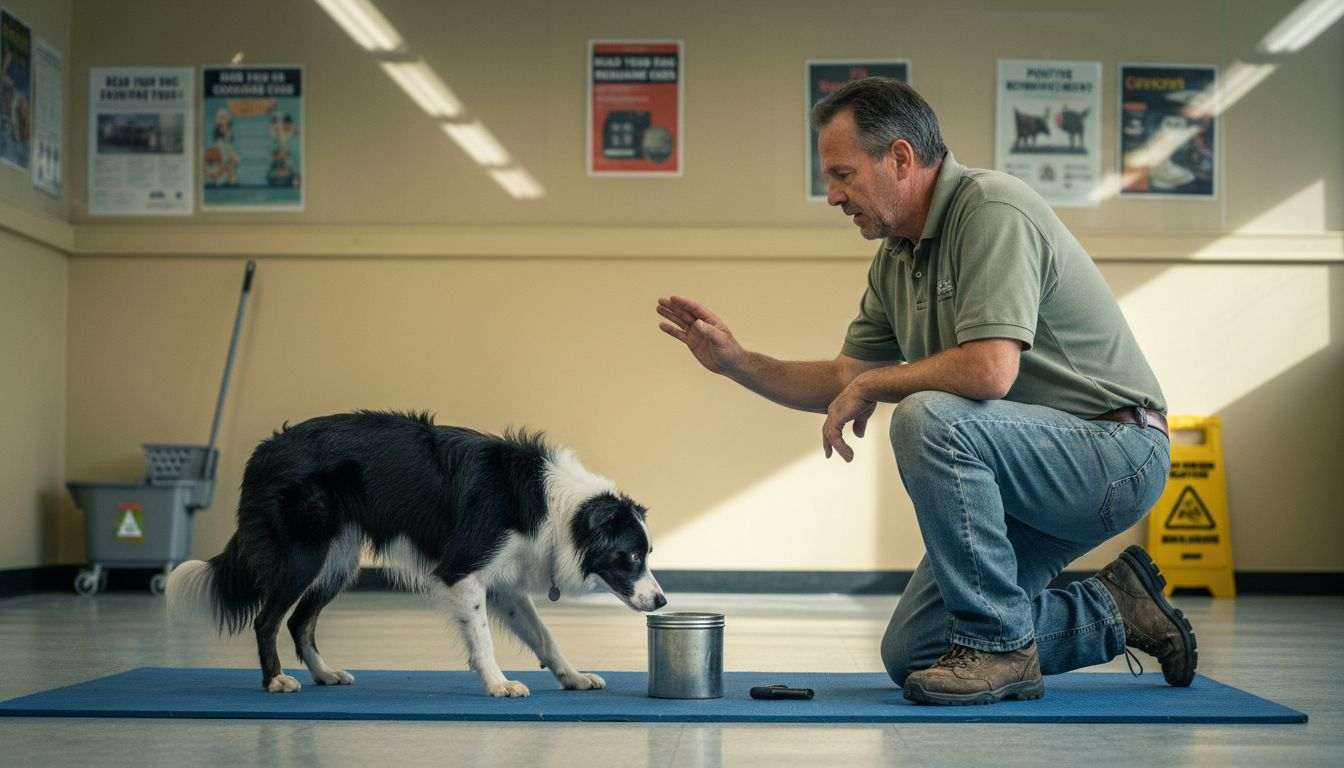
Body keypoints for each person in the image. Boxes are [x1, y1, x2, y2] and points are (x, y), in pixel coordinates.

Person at [656, 77, 1196, 706]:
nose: (833, 195)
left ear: (901, 158)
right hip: (1029, 475)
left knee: (926, 417)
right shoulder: (896, 259)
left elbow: (990, 371)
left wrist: (876, 382)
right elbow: (844, 377)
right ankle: (1116, 609)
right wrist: (738, 363)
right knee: (916, 650)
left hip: (1116, 454)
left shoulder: (991, 209)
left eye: (843, 174)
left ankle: (1001, 649)